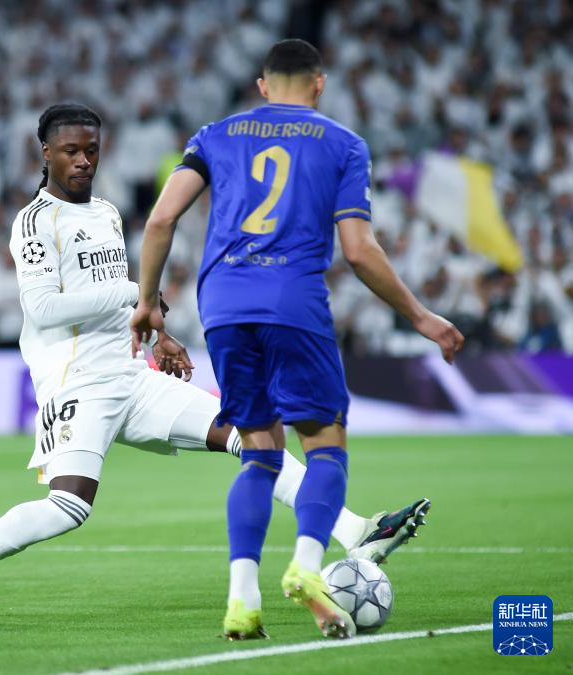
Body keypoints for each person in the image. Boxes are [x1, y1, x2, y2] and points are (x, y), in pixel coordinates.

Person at [0, 103, 429, 621]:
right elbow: (43, 309)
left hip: (132, 376)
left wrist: (158, 334)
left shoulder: (106, 213)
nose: (83, 160)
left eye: (91, 150)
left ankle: (357, 531)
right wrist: (131, 291)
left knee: (250, 436)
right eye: (71, 151)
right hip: (77, 382)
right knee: (69, 508)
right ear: (46, 153)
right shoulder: (35, 222)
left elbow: (125, 304)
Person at [131, 39, 464, 640]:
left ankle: (242, 599)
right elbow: (358, 251)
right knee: (326, 447)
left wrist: (148, 302)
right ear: (319, 83)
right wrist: (419, 316)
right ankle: (308, 565)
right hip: (292, 303)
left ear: (262, 85)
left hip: (223, 307)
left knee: (259, 455)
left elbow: (160, 219)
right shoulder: (343, 144)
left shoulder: (214, 135)